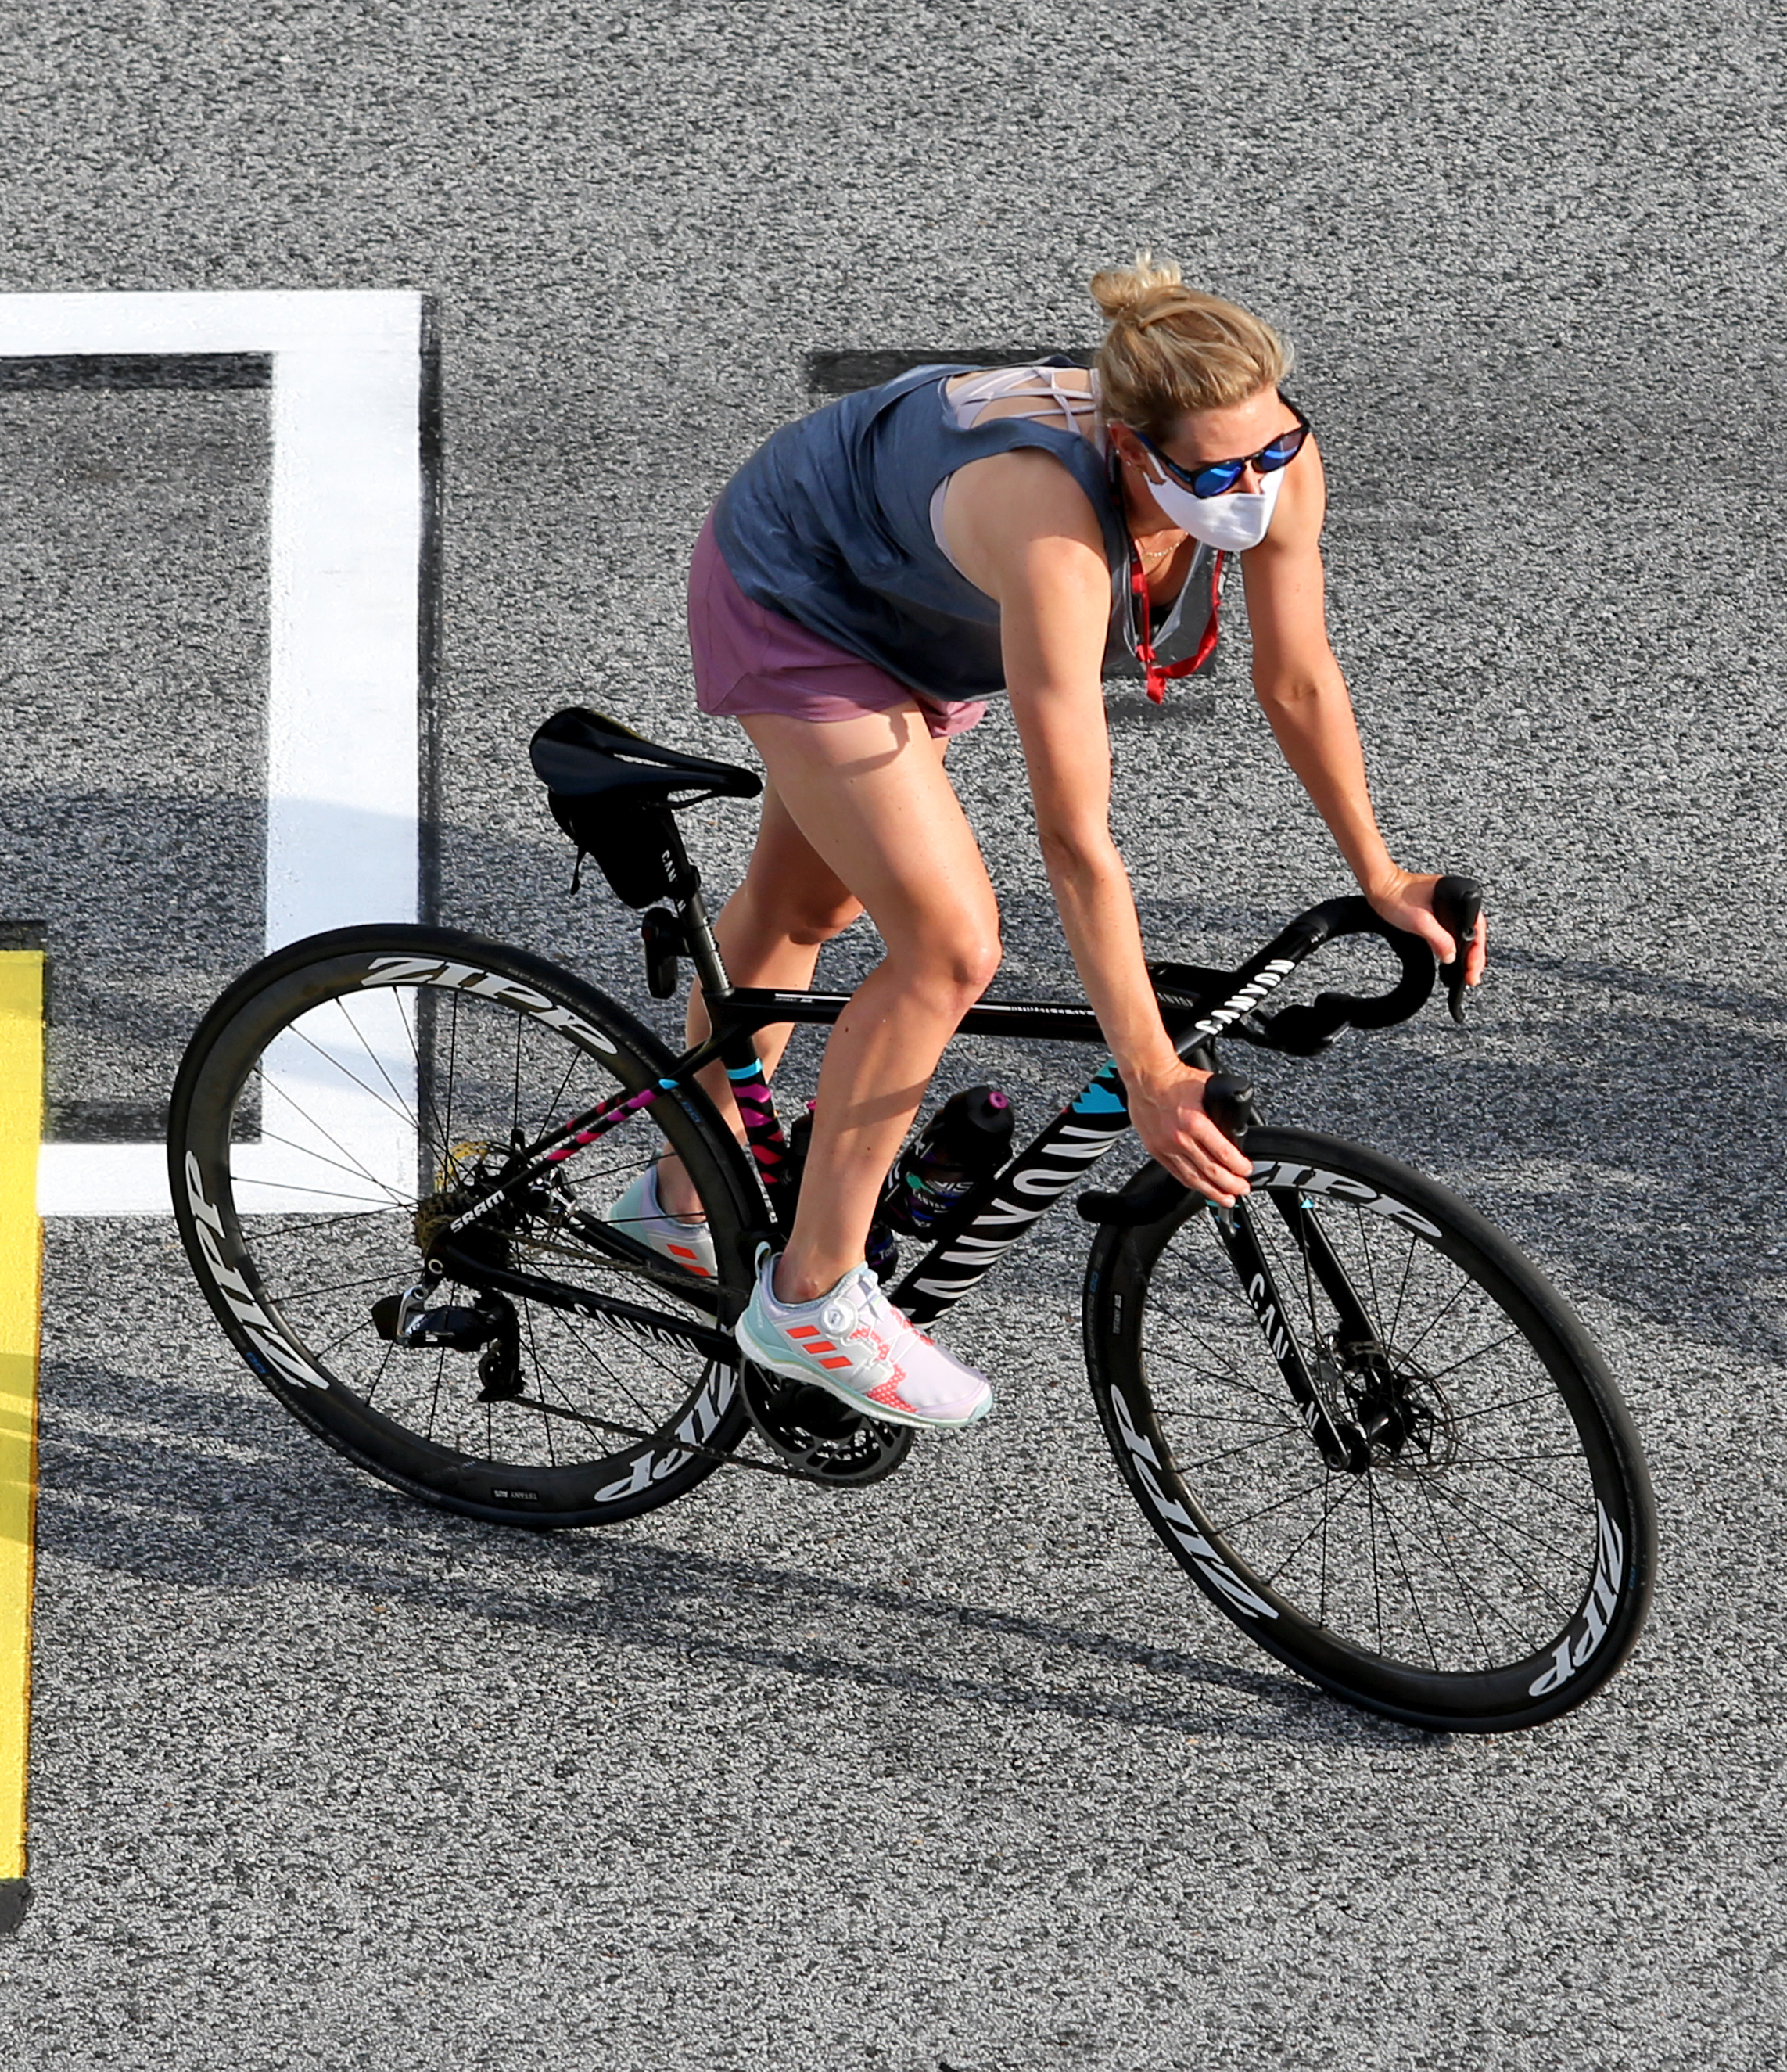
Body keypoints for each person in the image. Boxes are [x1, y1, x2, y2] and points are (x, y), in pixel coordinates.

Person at [606, 257, 1484, 1429]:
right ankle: (810, 1297)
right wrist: (1151, 1071)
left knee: (813, 912)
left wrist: (1379, 871)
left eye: (1272, 451)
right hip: (801, 585)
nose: (1256, 488)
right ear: (1130, 448)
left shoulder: (1269, 456)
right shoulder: (1054, 534)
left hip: (928, 602)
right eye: (1216, 470)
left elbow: (1299, 678)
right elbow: (1076, 842)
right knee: (949, 947)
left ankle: (675, 1191)